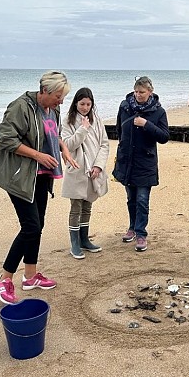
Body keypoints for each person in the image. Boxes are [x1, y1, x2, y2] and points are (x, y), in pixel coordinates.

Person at [0, 71, 77, 305]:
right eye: (58, 96)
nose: (61, 101)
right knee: (30, 227)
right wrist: (38, 155)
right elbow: (6, 140)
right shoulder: (20, 107)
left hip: (43, 176)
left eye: (63, 97)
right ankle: (4, 279)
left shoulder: (54, 108)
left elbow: (53, 133)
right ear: (44, 92)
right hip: (20, 176)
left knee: (38, 225)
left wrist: (64, 150)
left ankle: (30, 276)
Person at [113, 76, 170, 252]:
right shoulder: (124, 106)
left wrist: (147, 125)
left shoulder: (158, 112)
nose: (138, 95)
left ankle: (141, 234)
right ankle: (132, 227)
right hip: (127, 160)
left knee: (142, 200)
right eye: (136, 91)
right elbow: (119, 130)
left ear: (150, 92)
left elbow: (164, 137)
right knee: (131, 199)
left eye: (142, 92)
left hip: (146, 162)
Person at [61, 87, 110, 259]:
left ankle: (84, 239)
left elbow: (104, 144)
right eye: (82, 104)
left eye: (88, 104)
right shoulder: (67, 121)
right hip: (76, 169)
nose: (85, 107)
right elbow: (67, 145)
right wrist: (82, 129)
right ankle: (75, 243)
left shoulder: (96, 119)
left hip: (93, 171)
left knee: (88, 205)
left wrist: (99, 166)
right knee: (76, 207)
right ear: (76, 103)